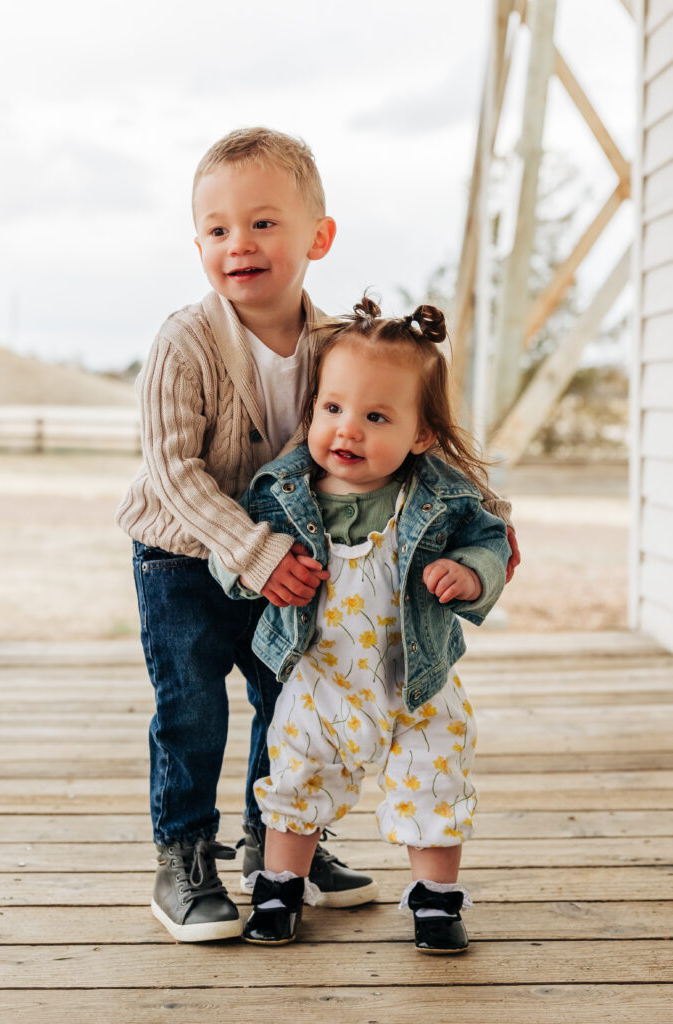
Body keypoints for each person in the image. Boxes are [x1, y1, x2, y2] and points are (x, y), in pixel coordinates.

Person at [116, 126, 517, 943]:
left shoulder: (340, 344)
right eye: (219, 229)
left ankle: (279, 848)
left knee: (289, 698)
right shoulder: (182, 341)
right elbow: (171, 470)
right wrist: (253, 553)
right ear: (198, 244)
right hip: (185, 556)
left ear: (317, 238)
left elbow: (408, 436)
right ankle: (184, 852)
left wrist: (484, 530)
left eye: (264, 223)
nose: (240, 244)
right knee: (191, 708)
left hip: (297, 559)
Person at [210, 298, 511, 954]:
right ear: (313, 407)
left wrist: (470, 572)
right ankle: (279, 887)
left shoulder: (439, 497)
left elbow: (492, 540)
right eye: (332, 408)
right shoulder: (282, 494)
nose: (347, 430)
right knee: (295, 781)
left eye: (376, 417)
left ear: (421, 434)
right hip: (319, 681)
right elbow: (226, 555)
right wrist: (257, 569)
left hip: (419, 686)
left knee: (435, 779)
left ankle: (434, 903)